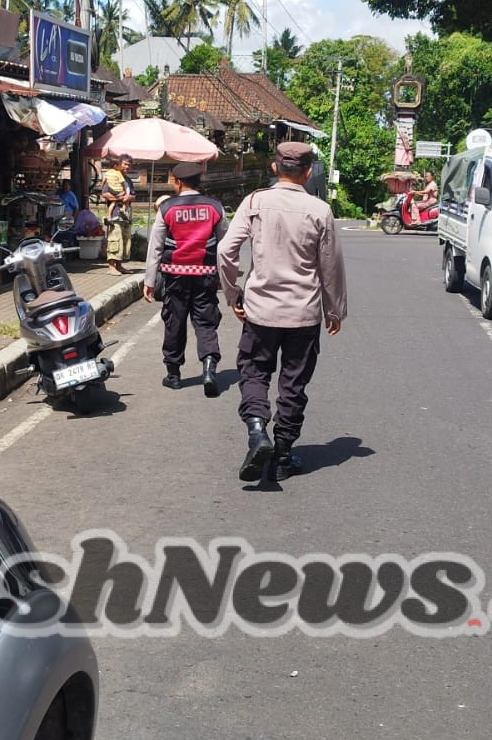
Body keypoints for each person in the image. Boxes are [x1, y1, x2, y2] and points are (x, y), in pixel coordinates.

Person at [218, 141, 348, 484]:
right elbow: (330, 267)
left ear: (275, 168)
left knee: (254, 372)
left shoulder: (255, 202)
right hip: (303, 315)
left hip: (260, 311)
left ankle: (257, 430)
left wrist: (234, 293)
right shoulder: (320, 211)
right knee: (293, 383)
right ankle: (282, 454)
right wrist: (334, 309)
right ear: (308, 173)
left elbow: (225, 250)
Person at [144, 162, 229, 396]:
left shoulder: (167, 208)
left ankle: (173, 375)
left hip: (175, 276)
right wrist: (226, 278)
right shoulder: (215, 207)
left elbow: (155, 248)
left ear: (178, 182)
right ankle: (210, 368)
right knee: (206, 322)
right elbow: (226, 247)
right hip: (206, 276)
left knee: (175, 321)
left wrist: (149, 281)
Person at [100, 155, 136, 274]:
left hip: (126, 213)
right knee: (114, 239)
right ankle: (111, 267)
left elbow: (133, 195)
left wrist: (129, 197)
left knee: (125, 240)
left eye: (129, 165)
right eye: (125, 164)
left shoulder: (128, 180)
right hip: (115, 213)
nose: (127, 166)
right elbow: (105, 193)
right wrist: (120, 198)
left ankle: (119, 266)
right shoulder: (112, 177)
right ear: (119, 164)